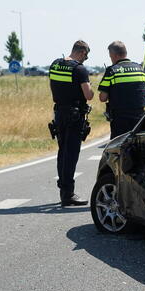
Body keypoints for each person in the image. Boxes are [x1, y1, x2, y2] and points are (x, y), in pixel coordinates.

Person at [49, 40, 94, 206]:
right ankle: (68, 194)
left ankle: (63, 188)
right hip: (74, 115)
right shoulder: (79, 69)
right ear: (82, 52)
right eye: (86, 56)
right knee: (71, 154)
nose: (85, 59)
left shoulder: (55, 65)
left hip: (59, 113)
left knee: (62, 152)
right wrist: (92, 88)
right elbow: (88, 95)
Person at [98, 41, 145, 139]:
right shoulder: (140, 69)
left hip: (120, 120)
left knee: (119, 147)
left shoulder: (111, 71)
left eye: (110, 56)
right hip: (139, 117)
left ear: (114, 55)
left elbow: (102, 98)